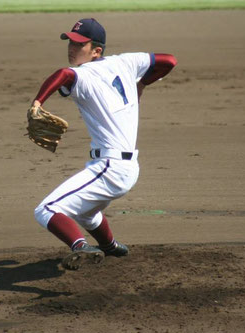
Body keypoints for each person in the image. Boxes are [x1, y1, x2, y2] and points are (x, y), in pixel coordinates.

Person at [30, 18, 177, 270]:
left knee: (46, 210)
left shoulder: (83, 75)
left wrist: (37, 102)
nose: (71, 48)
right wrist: (141, 83)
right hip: (124, 167)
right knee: (86, 213)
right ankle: (110, 246)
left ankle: (80, 246)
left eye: (79, 44)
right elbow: (169, 61)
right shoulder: (126, 62)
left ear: (97, 51)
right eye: (70, 42)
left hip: (110, 168)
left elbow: (62, 75)